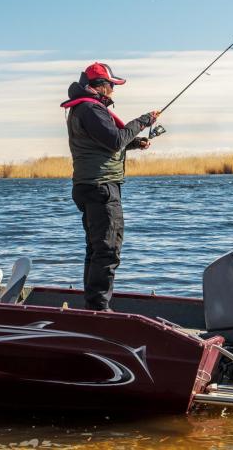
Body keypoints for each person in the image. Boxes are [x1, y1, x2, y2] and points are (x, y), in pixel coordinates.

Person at [61, 62, 159, 312]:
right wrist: (144, 120)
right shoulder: (90, 110)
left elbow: (105, 142)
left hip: (90, 185)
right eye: (112, 86)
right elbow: (115, 140)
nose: (113, 91)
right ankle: (99, 308)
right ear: (100, 87)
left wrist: (134, 144)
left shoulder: (83, 109)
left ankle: (94, 305)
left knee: (96, 248)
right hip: (101, 187)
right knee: (108, 249)